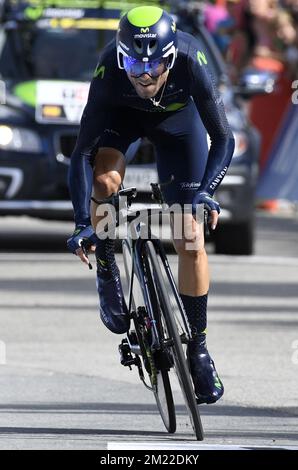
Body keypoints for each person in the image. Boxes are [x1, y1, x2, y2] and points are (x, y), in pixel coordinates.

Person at [67, 5, 235, 405]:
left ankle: (198, 347)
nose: (143, 75)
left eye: (155, 64)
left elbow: (224, 139)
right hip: (122, 121)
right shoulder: (110, 69)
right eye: (133, 63)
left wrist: (205, 191)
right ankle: (107, 261)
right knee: (106, 179)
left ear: (171, 57)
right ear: (121, 55)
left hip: (179, 127)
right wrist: (81, 224)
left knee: (190, 235)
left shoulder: (192, 59)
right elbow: (80, 156)